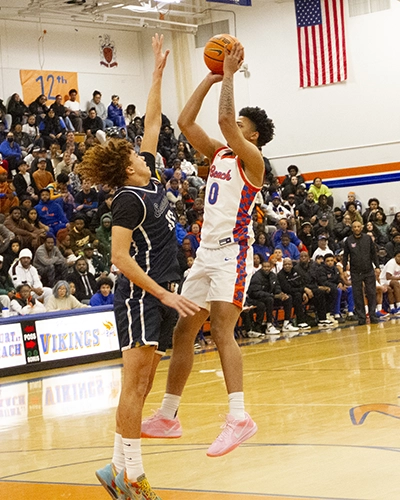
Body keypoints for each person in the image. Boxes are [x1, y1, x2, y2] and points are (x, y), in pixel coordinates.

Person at [77, 35, 199, 500]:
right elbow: (119, 258)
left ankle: (115, 468)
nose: (137, 150)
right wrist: (164, 294)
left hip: (161, 291)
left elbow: (151, 120)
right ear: (128, 169)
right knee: (135, 386)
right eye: (130, 154)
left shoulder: (147, 174)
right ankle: (133, 477)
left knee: (144, 385)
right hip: (140, 296)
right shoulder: (128, 199)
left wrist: (157, 71)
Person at [141, 40, 275, 458]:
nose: (230, 125)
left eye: (239, 124)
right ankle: (168, 415)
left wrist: (230, 74)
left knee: (220, 330)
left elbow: (222, 118)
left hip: (233, 254)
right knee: (184, 330)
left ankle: (239, 417)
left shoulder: (253, 162)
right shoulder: (218, 154)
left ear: (251, 136)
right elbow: (184, 121)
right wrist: (212, 75)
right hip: (204, 255)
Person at [246, 259, 297, 337]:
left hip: (271, 296)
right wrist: (272, 295)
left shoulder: (272, 275)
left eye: (268, 267)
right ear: (261, 267)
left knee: (288, 298)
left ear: (270, 267)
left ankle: (286, 323)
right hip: (258, 298)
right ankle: (269, 325)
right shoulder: (256, 276)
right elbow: (255, 292)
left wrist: (280, 294)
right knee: (269, 300)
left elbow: (277, 286)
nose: (266, 268)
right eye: (264, 267)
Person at [343, 221, 380, 325]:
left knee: (371, 293)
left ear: (362, 227)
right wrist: (345, 269)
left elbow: (374, 254)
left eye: (358, 226)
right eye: (354, 227)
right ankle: (361, 317)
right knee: (358, 295)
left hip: (368, 270)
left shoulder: (368, 239)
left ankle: (373, 315)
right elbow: (345, 255)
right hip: (355, 272)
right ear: (352, 228)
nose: (356, 228)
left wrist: (377, 267)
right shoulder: (348, 240)